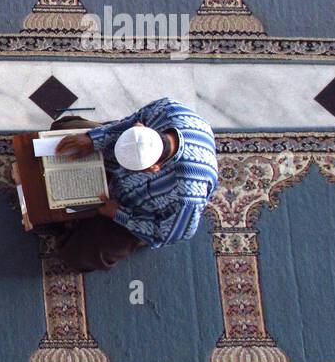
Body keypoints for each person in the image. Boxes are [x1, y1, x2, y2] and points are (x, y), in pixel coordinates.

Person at [50, 98, 219, 272]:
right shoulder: (167, 109)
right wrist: (93, 140)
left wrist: (118, 213)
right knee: (62, 132)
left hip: (134, 209)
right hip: (116, 156)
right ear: (142, 129)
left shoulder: (187, 197)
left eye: (130, 168)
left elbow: (166, 234)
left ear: (154, 168)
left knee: (78, 255)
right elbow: (129, 122)